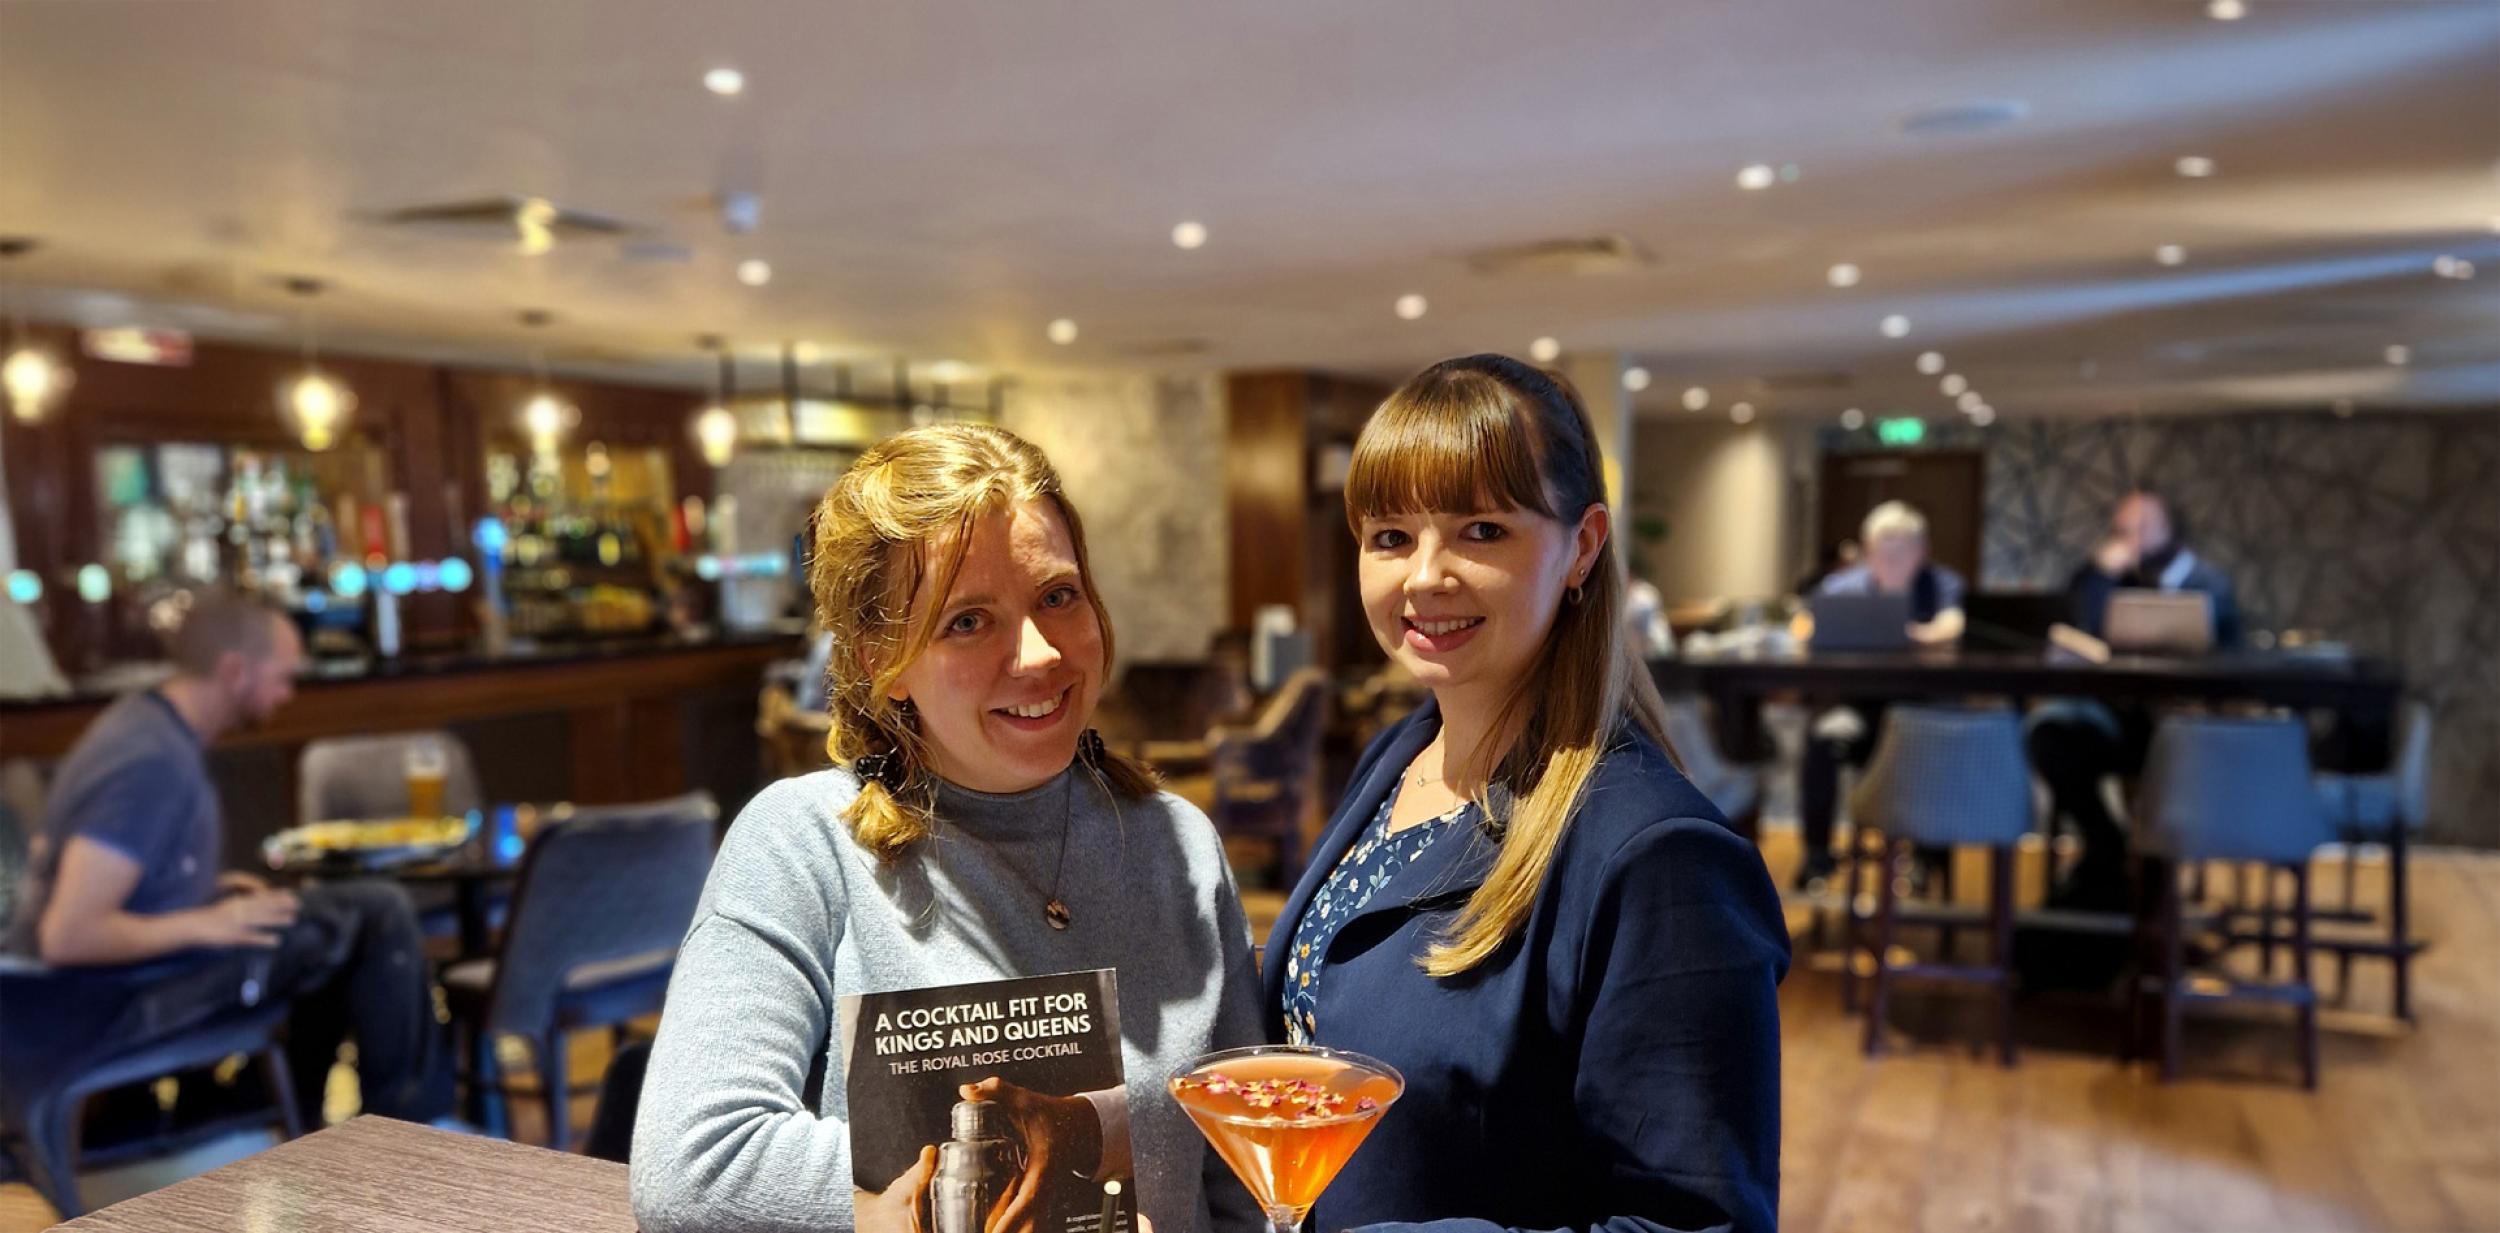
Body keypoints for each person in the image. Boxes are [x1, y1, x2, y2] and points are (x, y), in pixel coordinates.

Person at [631, 425, 1263, 1233]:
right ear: (878, 661)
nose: (1038, 653)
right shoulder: (801, 845)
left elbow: (1243, 1181)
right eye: (968, 620)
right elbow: (695, 1165)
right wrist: (958, 1191)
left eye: (1057, 596)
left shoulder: (1177, 843)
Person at [1262, 355, 1788, 1233]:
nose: (1425, 575)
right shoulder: (1400, 756)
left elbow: (1698, 1224)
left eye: (1480, 531)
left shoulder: (1659, 855)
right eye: (1390, 536)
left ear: (1582, 545)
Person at [5, 590, 448, 1128]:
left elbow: (119, 882)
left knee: (324, 926)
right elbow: (69, 934)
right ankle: (408, 1135)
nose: (288, 693)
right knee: (375, 914)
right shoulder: (151, 762)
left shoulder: (149, 726)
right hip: (102, 1007)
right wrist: (208, 923)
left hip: (116, 987)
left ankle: (280, 1118)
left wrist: (204, 893)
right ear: (236, 671)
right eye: (282, 676)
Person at [2026, 490, 2239, 906]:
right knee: (2049, 729)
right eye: (2123, 530)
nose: (2132, 539)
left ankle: (2154, 897)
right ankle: (2106, 841)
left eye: (2143, 528)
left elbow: (2231, 654)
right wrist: (2099, 574)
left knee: (2171, 756)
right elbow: (2079, 623)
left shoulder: (2208, 583)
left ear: (2171, 530)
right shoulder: (2111, 579)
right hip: (2119, 717)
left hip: (2184, 728)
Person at [1792, 501, 1966, 887]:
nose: (1889, 561)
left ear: (1922, 552)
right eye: (1881, 552)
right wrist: (1812, 634)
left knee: (1936, 742)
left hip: (1922, 712)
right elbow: (1803, 623)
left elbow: (1952, 625)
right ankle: (1817, 857)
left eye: (1900, 551)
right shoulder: (1843, 587)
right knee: (1821, 740)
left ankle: (1927, 859)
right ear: (1868, 552)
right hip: (1859, 710)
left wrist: (1912, 636)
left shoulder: (1941, 584)